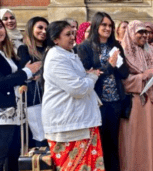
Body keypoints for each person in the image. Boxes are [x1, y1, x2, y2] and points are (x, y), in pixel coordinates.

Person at [41, 21, 105, 171]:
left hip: (79, 121)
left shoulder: (67, 54)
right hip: (69, 124)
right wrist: (93, 76)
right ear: (56, 39)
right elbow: (78, 88)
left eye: (73, 33)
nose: (72, 37)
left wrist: (86, 77)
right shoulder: (56, 57)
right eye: (67, 34)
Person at [78, 12, 129, 171]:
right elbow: (86, 74)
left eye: (110, 25)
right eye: (104, 25)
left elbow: (125, 73)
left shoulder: (116, 45)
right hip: (97, 102)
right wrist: (109, 66)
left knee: (113, 144)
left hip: (115, 101)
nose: (108, 28)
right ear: (96, 26)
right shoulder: (85, 47)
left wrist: (116, 64)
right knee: (98, 144)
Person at [119, 20, 153, 171]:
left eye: (145, 32)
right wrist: (142, 76)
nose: (144, 35)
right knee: (136, 140)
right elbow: (120, 80)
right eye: (139, 32)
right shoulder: (122, 52)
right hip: (135, 103)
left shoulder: (152, 50)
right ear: (130, 33)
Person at [0, 20, 40, 171]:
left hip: (16, 113)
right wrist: (27, 71)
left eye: (0, 27)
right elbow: (2, 83)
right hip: (3, 115)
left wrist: (28, 76)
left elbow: (13, 76)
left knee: (14, 157)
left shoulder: (5, 52)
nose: (0, 31)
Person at [17, 16, 49, 147]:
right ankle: (41, 165)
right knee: (40, 136)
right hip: (34, 99)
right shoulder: (24, 49)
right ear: (31, 29)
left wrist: (41, 69)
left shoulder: (50, 49)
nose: (44, 31)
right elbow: (28, 73)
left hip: (51, 97)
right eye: (40, 28)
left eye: (46, 29)